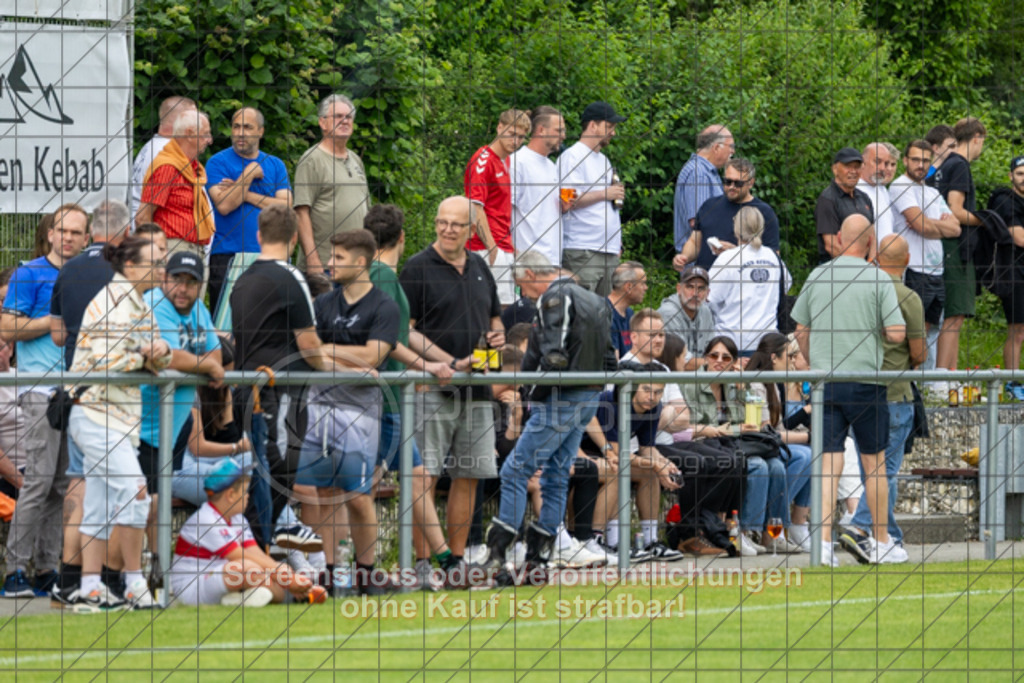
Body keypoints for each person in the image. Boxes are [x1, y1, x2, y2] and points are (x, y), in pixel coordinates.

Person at [791, 214, 906, 566]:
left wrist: (813, 363)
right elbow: (897, 333)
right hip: (866, 383)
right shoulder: (878, 278)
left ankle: (823, 544)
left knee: (828, 464)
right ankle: (881, 541)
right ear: (870, 243)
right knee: (874, 466)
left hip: (826, 384)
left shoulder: (817, 275)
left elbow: (800, 331)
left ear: (839, 238)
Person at [66, 236, 173, 611]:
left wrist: (160, 352)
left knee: (98, 504)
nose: (162, 270)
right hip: (97, 413)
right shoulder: (114, 300)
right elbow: (109, 359)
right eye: (155, 263)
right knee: (135, 492)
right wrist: (147, 357)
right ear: (131, 266)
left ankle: (91, 587)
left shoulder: (139, 303)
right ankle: (132, 582)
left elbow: (159, 351)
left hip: (119, 418)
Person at [399, 196, 504, 581]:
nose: (447, 229)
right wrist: (444, 362)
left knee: (469, 475)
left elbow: (496, 318)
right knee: (422, 477)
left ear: (471, 230)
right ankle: (424, 565)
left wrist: (498, 337)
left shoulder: (479, 265)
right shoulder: (416, 268)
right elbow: (405, 331)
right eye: (442, 222)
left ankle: (456, 563)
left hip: (476, 390)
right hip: (432, 388)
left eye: (456, 224)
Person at [296, 230, 399, 595]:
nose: (330, 263)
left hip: (360, 412)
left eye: (339, 257)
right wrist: (341, 356)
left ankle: (366, 574)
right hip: (320, 404)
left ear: (360, 262)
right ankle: (328, 572)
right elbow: (311, 351)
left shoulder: (384, 306)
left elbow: (375, 355)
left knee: (357, 495)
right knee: (323, 492)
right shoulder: (323, 304)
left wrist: (330, 352)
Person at [230, 205, 332, 547]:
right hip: (279, 389)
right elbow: (308, 343)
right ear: (293, 239)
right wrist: (335, 366)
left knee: (261, 469)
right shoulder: (291, 277)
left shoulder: (242, 278)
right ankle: (262, 542)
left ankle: (261, 543)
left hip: (247, 388)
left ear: (259, 236)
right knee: (279, 470)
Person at [1, 204, 88, 599]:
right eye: (61, 230)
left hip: (76, 393)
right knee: (37, 482)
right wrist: (51, 323)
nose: (67, 237)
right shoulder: (30, 272)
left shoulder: (86, 276)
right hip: (38, 391)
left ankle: (47, 568)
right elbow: (5, 325)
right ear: (50, 234)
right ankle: (15, 570)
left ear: (87, 239)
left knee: (59, 485)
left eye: (76, 232)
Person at [138, 251, 226, 576]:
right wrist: (205, 365)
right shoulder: (154, 304)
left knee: (156, 503)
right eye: (177, 279)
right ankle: (134, 577)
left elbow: (214, 351)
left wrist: (202, 363)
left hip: (174, 425)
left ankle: (157, 576)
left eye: (191, 282)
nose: (183, 289)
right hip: (143, 425)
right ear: (164, 278)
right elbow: (170, 358)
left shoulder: (198, 309)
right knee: (143, 506)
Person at [838, 235, 923, 565]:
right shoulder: (906, 296)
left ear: (874, 258)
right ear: (907, 259)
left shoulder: (858, 294)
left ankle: (889, 538)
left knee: (871, 471)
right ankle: (861, 527)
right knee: (884, 472)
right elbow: (918, 352)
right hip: (894, 393)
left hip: (858, 392)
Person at [170, 459, 325, 607]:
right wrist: (284, 575)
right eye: (244, 492)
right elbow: (239, 556)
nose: (248, 496)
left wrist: (283, 576)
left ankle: (238, 600)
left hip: (220, 577)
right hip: (192, 586)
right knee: (247, 568)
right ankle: (243, 596)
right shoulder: (206, 519)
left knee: (275, 588)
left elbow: (255, 553)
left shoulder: (238, 519)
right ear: (230, 495)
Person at [205, 107, 293, 312]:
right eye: (236, 127)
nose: (240, 132)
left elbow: (286, 208)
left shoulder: (275, 165)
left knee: (268, 319)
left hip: (270, 254)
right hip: (228, 256)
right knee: (226, 322)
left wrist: (244, 193)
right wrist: (249, 173)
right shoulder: (217, 162)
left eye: (247, 127)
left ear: (260, 131)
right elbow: (225, 206)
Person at [888, 140, 960, 380]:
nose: (921, 165)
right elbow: (920, 226)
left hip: (935, 271)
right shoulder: (900, 187)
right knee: (913, 330)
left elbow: (956, 228)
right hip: (913, 268)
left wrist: (931, 226)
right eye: (916, 160)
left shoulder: (932, 191)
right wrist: (934, 225)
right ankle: (908, 383)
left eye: (926, 161)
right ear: (906, 161)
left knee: (930, 330)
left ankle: (925, 385)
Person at [744, 333, 813, 554]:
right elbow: (767, 432)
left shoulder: (772, 382)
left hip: (769, 445)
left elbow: (779, 429)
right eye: (789, 356)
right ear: (774, 357)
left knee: (812, 454)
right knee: (803, 455)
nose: (792, 361)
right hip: (755, 445)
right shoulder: (756, 383)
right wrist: (808, 437)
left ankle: (783, 527)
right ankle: (771, 526)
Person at [929, 117, 986, 375]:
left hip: (938, 246)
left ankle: (948, 377)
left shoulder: (941, 165)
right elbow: (955, 210)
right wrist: (986, 220)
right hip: (955, 247)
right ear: (977, 138)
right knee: (955, 315)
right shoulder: (960, 165)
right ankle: (943, 379)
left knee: (947, 316)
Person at [294, 94, 370, 273]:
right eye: (337, 116)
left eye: (348, 117)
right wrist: (313, 260)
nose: (344, 121)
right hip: (325, 265)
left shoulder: (355, 161)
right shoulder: (312, 160)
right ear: (322, 122)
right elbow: (301, 213)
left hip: (356, 264)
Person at [557, 101, 627, 296]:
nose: (613, 132)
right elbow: (566, 199)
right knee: (582, 311)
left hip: (607, 251)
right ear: (593, 125)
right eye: (609, 126)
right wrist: (605, 194)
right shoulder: (572, 156)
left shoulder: (604, 160)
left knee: (602, 313)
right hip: (583, 249)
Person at [464, 108, 532, 305]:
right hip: (483, 246)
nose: (516, 141)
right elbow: (475, 208)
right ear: (499, 127)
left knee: (507, 306)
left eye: (521, 137)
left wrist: (509, 247)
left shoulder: (506, 159)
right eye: (511, 134)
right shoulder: (483, 160)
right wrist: (492, 248)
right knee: (495, 307)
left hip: (504, 244)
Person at [706, 205, 792, 355]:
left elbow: (709, 298)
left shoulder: (727, 258)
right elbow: (785, 286)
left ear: (736, 227)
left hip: (732, 342)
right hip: (767, 342)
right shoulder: (773, 257)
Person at [136, 109, 215, 258]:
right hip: (172, 249)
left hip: (192, 250)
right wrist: (155, 254)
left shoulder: (191, 167)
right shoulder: (167, 167)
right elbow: (142, 217)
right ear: (190, 134)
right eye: (205, 134)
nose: (209, 140)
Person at [678, 158, 781, 270]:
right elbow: (694, 242)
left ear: (751, 183)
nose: (732, 187)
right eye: (728, 182)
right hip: (704, 281)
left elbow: (773, 258)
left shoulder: (764, 212)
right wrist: (684, 258)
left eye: (738, 183)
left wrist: (734, 252)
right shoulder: (709, 205)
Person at [984, 156, 1024, 399]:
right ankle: (1012, 381)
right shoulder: (1005, 199)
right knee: (1016, 330)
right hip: (1013, 273)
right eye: (1020, 173)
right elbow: (1018, 237)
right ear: (1011, 176)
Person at [510, 106, 566, 266]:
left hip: (553, 260)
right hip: (529, 261)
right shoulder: (517, 162)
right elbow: (504, 212)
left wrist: (565, 206)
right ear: (541, 130)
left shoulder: (551, 166)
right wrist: (513, 253)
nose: (563, 136)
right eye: (559, 130)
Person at [672, 124, 734, 267]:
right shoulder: (698, 174)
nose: (733, 151)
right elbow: (700, 222)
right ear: (717, 147)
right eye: (730, 146)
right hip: (700, 263)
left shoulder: (707, 172)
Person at [815, 147, 874, 262]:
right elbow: (831, 245)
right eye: (848, 166)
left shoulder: (864, 198)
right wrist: (855, 267)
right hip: (837, 270)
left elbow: (872, 235)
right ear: (835, 169)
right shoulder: (827, 199)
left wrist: (871, 261)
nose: (853, 171)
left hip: (864, 268)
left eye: (857, 167)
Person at [657, 265, 716, 369]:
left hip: (696, 376)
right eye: (690, 287)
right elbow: (683, 361)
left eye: (701, 288)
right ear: (679, 289)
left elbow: (712, 350)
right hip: (669, 376)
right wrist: (724, 364)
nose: (695, 294)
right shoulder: (669, 313)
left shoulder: (705, 311)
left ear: (707, 293)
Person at [857, 143, 896, 246]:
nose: (883, 168)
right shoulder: (855, 190)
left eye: (886, 163)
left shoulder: (882, 189)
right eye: (877, 162)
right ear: (863, 162)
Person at [607, 261, 647, 358]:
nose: (646, 288)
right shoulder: (606, 314)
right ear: (628, 287)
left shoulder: (629, 313)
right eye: (643, 283)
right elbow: (613, 364)